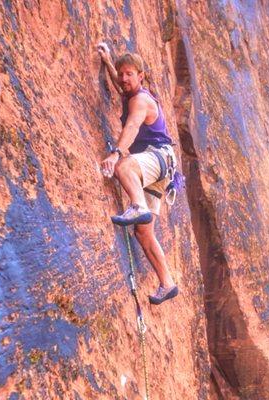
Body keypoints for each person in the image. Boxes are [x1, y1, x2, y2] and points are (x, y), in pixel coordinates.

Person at [97, 42, 178, 305]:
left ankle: (136, 204)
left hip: (158, 157)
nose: (123, 78)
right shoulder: (131, 93)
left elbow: (132, 126)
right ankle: (168, 283)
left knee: (124, 166)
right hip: (160, 169)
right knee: (143, 232)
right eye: (121, 74)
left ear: (141, 76)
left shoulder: (141, 100)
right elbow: (121, 86)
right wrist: (109, 62)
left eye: (129, 73)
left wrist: (117, 153)